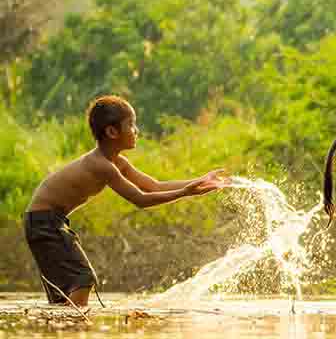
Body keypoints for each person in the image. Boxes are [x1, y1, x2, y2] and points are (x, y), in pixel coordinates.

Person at [23, 95, 229, 306]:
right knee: (82, 279)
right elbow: (141, 199)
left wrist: (200, 181)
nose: (136, 130)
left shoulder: (117, 162)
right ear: (112, 132)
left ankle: (64, 326)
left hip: (48, 221)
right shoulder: (101, 165)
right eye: (131, 124)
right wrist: (186, 192)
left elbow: (154, 185)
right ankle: (71, 325)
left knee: (65, 289)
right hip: (44, 222)